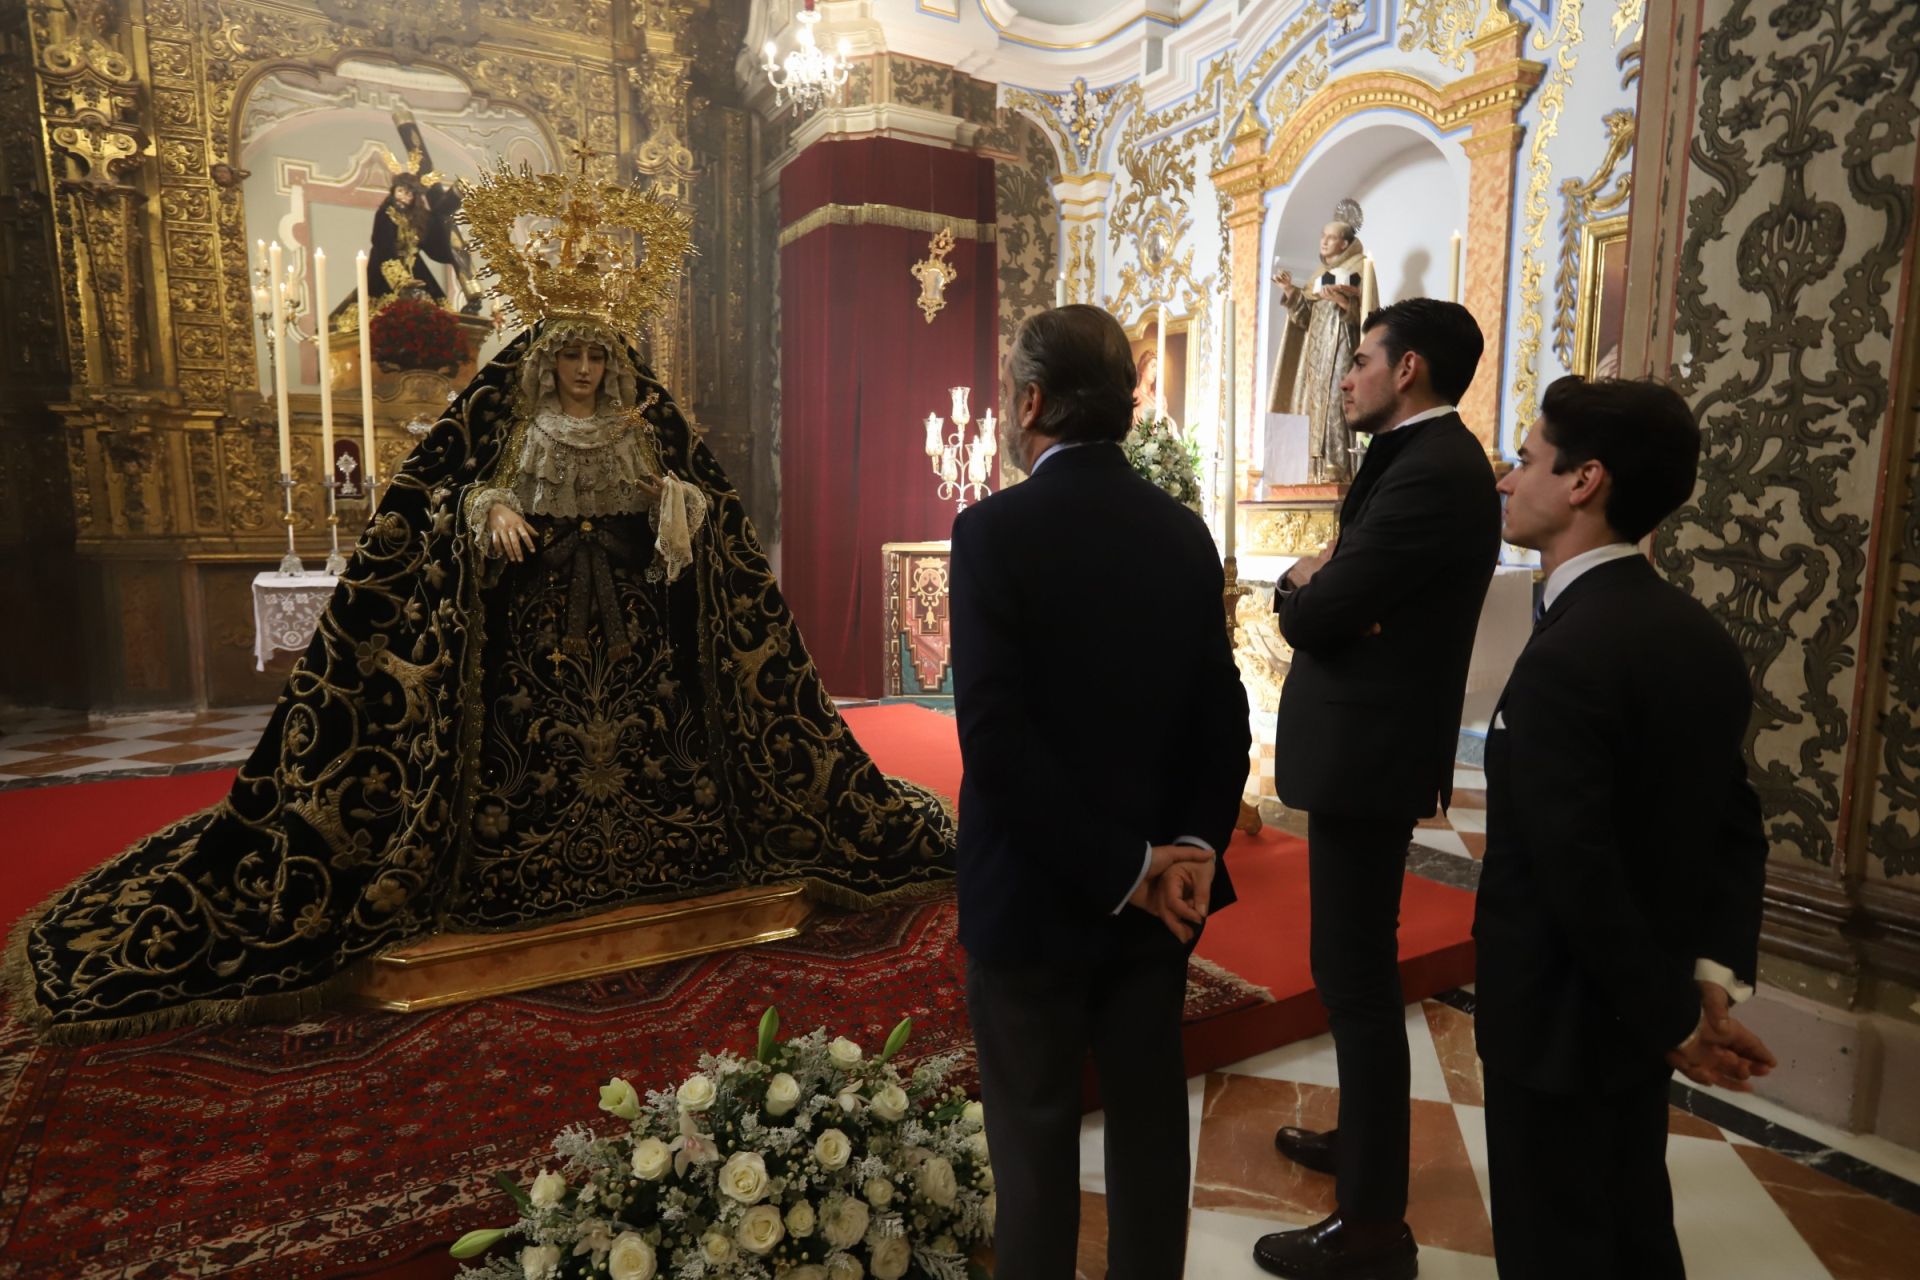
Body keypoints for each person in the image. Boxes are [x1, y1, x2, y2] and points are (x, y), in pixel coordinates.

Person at [7, 164, 954, 1045]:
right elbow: (451, 494)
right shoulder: (508, 420)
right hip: (532, 635)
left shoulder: (642, 424)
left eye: (596, 357)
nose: (583, 371)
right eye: (570, 358)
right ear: (546, 362)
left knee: (653, 745)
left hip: (635, 638)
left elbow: (702, 512)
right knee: (520, 750)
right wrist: (490, 504)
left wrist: (678, 503)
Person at [951, 304, 1250, 1280]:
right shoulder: (1182, 532)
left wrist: (1121, 866)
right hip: (1161, 906)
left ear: (1033, 400)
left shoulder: (993, 530)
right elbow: (1224, 716)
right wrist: (1194, 848)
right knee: (1151, 1124)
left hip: (1036, 892)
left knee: (1034, 1141)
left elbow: (995, 746)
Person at [1477, 375, 1774, 1279]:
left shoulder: (1570, 653)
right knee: (1630, 1221)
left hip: (1561, 1017)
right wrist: (1708, 980)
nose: (1507, 478)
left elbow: (1576, 869)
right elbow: (1737, 825)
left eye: (1526, 459)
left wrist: (1676, 1016)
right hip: (1638, 1005)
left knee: (1557, 1240)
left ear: (1584, 481)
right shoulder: (1698, 634)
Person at [1256, 298, 1500, 1280]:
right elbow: (1340, 597)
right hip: (1367, 745)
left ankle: (1371, 1227)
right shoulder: (1411, 462)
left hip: (1372, 750)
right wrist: (1320, 586)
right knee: (1349, 965)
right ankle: (1361, 1146)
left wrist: (1301, 590)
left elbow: (1326, 610)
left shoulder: (1434, 471)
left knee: (1358, 979)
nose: (1344, 375)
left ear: (1410, 369)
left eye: (1359, 358)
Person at [1268, 213, 1376, 485]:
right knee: (1314, 406)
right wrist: (1290, 291)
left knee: (1336, 402)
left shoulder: (1361, 268)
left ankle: (1338, 466)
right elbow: (1303, 319)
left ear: (1345, 243)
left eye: (1332, 237)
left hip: (1342, 345)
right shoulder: (1318, 276)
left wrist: (1343, 302)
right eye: (1323, 236)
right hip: (1315, 354)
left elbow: (1367, 318)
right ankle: (1314, 468)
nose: (1325, 242)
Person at [363, 104, 482, 314]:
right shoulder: (386, 213)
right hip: (387, 265)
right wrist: (401, 279)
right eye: (401, 190)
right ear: (394, 190)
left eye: (409, 193)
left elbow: (432, 244)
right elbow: (383, 246)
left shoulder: (418, 217)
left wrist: (450, 242)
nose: (404, 196)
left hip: (414, 264)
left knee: (434, 306)